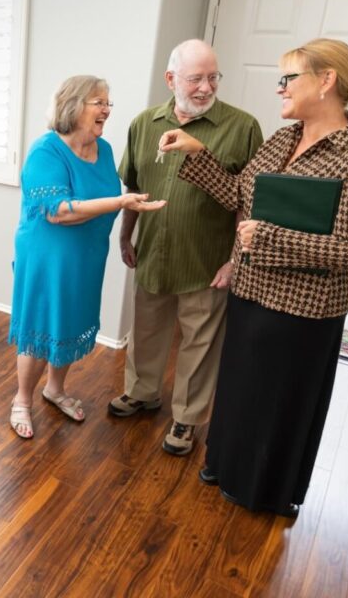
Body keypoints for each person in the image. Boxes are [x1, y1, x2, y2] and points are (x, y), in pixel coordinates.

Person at [159, 38, 348, 517]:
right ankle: (224, 466)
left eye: (289, 79)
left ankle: (261, 489)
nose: (279, 88)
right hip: (251, 295)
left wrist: (272, 239)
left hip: (303, 313)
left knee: (277, 406)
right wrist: (197, 153)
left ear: (325, 82)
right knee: (239, 391)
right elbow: (239, 197)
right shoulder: (282, 139)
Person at [107, 39, 263, 457]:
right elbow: (133, 187)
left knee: (200, 341)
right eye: (196, 79)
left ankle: (187, 418)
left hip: (206, 259)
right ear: (171, 79)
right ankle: (142, 393)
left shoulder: (243, 127)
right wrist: (125, 235)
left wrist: (234, 260)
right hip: (154, 252)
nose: (206, 88)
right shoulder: (144, 123)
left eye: (213, 77)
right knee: (146, 329)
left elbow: (249, 202)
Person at [9, 75, 165, 439]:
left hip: (88, 256)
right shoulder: (45, 151)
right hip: (48, 258)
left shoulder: (105, 149)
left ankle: (55, 389)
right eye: (99, 102)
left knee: (69, 321)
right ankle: (22, 400)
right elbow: (58, 211)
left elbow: (103, 196)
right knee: (43, 325)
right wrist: (122, 202)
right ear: (73, 105)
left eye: (108, 102)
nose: (107, 109)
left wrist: (123, 212)